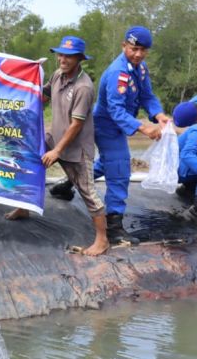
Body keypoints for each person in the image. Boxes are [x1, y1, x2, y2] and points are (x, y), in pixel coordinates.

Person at [57, 26, 171, 245]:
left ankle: (68, 182)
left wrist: (158, 114)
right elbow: (116, 110)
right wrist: (142, 127)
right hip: (106, 125)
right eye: (134, 49)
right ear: (124, 46)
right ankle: (114, 227)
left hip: (120, 123)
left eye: (143, 50)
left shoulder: (140, 68)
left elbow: (147, 95)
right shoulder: (117, 73)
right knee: (119, 169)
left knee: (110, 163)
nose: (138, 54)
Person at [5, 36, 108, 255]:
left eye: (69, 56)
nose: (63, 59)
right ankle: (24, 207)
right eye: (60, 54)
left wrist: (57, 151)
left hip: (75, 148)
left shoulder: (83, 87)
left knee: (87, 191)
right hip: (54, 137)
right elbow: (45, 94)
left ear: (79, 59)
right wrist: (30, 78)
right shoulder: (58, 75)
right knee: (27, 159)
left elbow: (77, 125)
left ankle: (102, 239)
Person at [173, 97, 197, 219]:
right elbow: (187, 155)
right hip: (178, 169)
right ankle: (196, 210)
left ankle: (189, 188)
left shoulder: (194, 104)